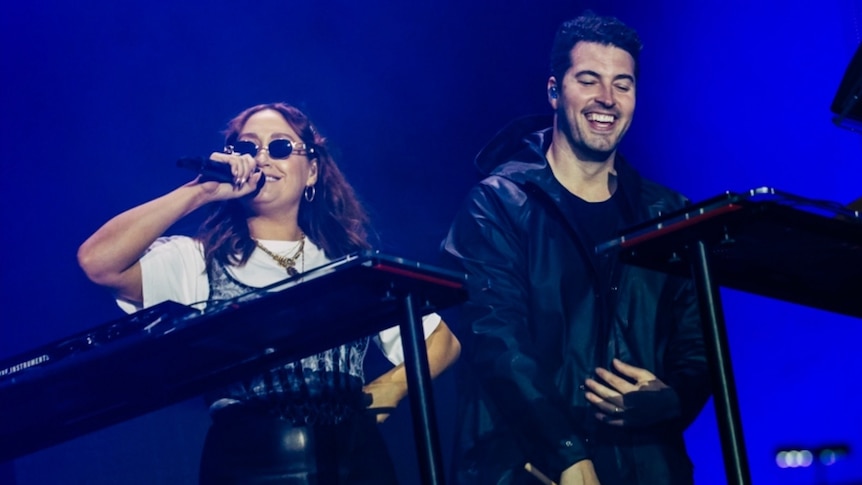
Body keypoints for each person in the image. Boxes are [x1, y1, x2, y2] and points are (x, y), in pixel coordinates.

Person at [77, 102, 461, 484]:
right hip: (251, 465)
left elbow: (441, 341)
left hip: (355, 463)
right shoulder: (197, 260)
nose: (261, 158)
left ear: (311, 171)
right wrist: (201, 192)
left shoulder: (346, 263)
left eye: (278, 147)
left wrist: (388, 390)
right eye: (247, 148)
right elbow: (99, 262)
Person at [440, 12, 711, 485]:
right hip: (531, 469)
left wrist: (671, 399)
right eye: (589, 80)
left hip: (648, 468)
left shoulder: (668, 213)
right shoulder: (498, 203)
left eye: (622, 85)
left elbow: (701, 348)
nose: (606, 98)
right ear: (554, 91)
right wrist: (565, 453)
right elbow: (496, 343)